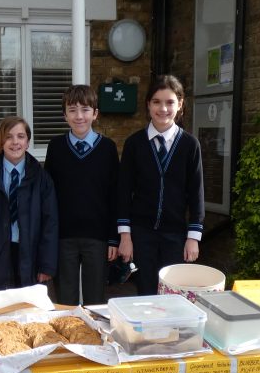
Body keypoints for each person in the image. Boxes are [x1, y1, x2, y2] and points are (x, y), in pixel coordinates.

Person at [117, 75, 204, 295]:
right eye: (156, 101)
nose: (163, 108)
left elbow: (196, 193)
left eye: (169, 102)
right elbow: (123, 191)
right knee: (145, 292)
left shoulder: (189, 145)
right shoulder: (134, 144)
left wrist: (193, 238)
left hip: (175, 235)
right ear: (148, 104)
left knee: (172, 294)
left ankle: (170, 332)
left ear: (180, 104)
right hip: (141, 234)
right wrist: (125, 236)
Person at [44, 85, 119, 305]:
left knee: (95, 298)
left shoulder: (107, 148)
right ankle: (67, 336)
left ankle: (94, 336)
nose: (79, 116)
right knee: (65, 297)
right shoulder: (56, 147)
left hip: (97, 236)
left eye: (85, 109)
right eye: (72, 110)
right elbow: (49, 195)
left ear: (95, 113)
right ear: (64, 115)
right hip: (63, 236)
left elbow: (115, 194)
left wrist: (114, 237)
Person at [0, 115, 59, 291]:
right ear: (0, 141)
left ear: (28, 141)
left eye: (20, 136)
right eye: (8, 136)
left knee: (29, 310)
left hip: (30, 255)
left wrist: (46, 265)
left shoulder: (42, 179)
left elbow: (50, 224)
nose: (15, 142)